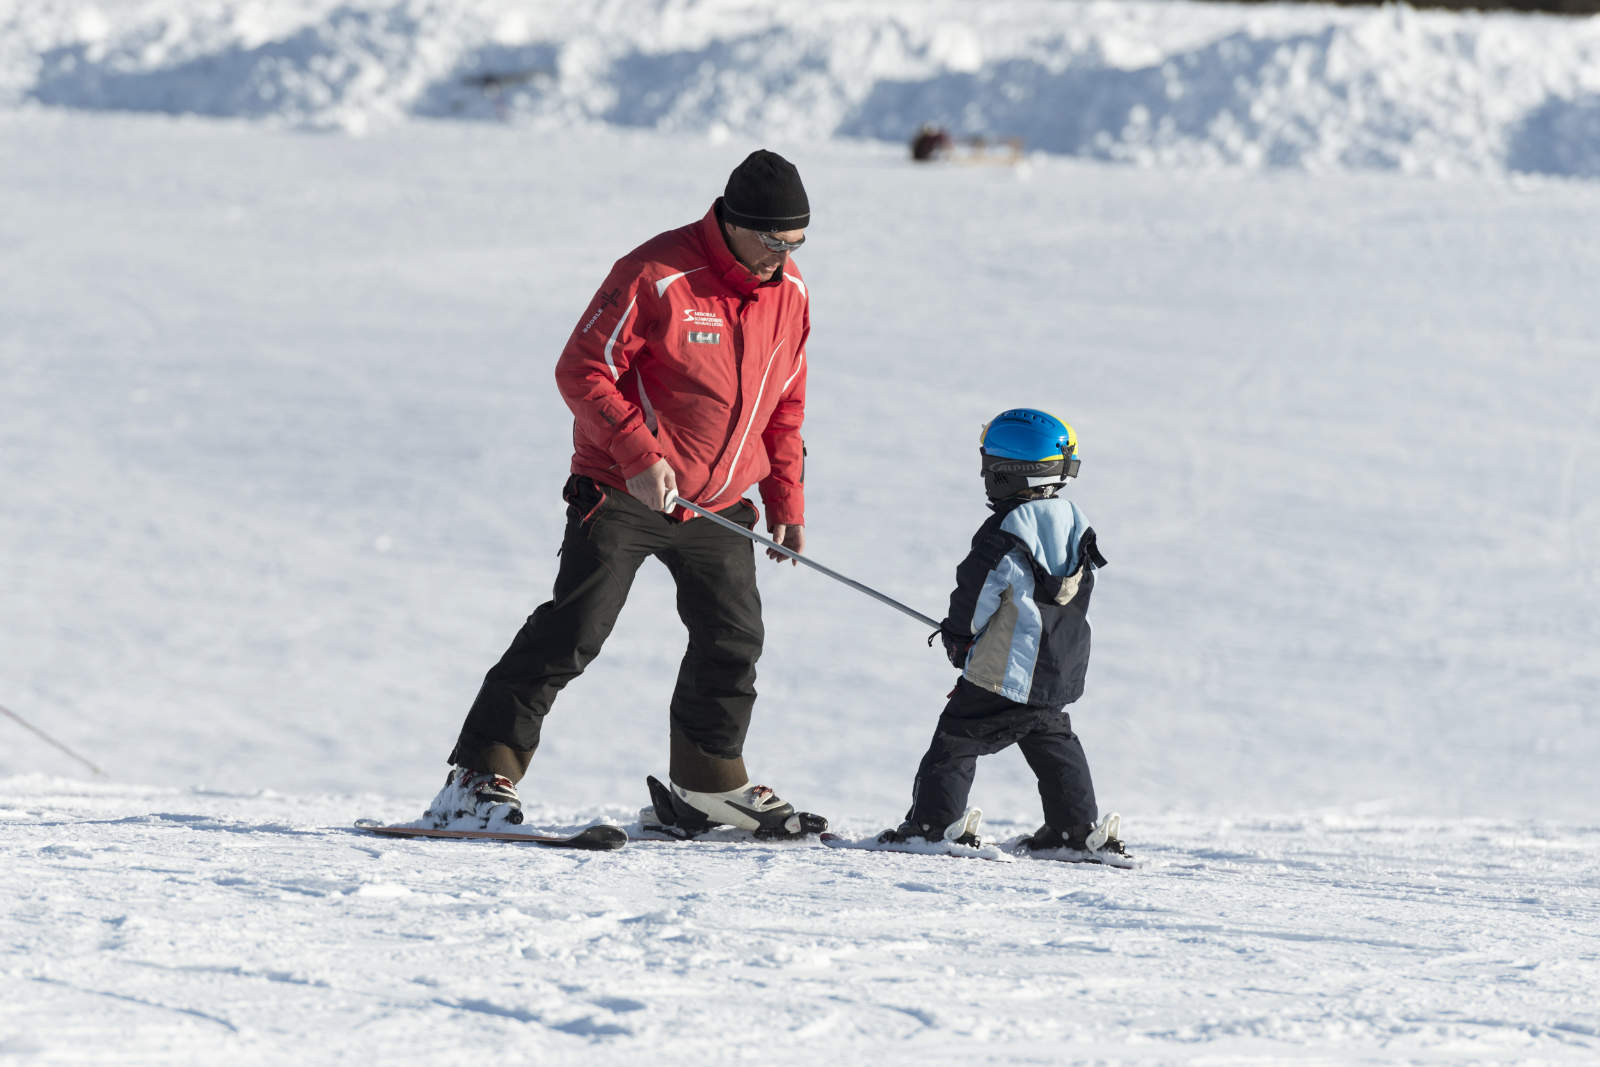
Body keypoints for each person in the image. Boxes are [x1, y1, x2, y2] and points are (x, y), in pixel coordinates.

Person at [424, 149, 824, 839]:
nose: (781, 257)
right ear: (732, 221)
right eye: (771, 241)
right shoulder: (658, 273)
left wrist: (785, 499)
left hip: (718, 505)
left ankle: (707, 784)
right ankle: (476, 778)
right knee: (573, 632)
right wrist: (639, 454)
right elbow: (582, 369)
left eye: (795, 243)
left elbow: (784, 405)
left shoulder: (791, 293)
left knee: (734, 640)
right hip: (624, 488)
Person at [883, 408, 1131, 864]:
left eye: (989, 466)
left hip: (1009, 668)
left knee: (956, 738)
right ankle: (1073, 830)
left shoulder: (1006, 529)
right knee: (1051, 738)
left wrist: (958, 637)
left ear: (1007, 471)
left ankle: (931, 826)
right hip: (1058, 665)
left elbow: (977, 591)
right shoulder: (1075, 522)